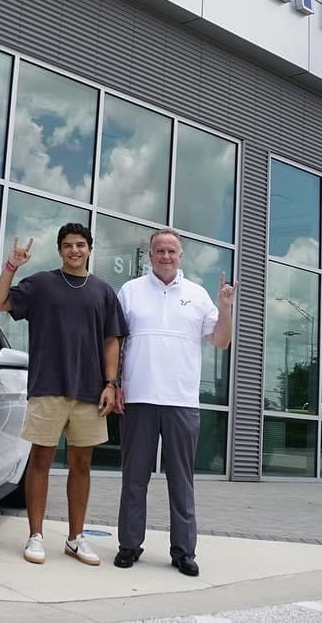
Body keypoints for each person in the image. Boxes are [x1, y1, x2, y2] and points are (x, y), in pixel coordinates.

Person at [0, 222, 126, 567]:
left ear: (90, 249)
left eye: (80, 244)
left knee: (82, 464)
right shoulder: (42, 284)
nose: (74, 250)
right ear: (60, 250)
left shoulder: (103, 292)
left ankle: (75, 539)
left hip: (89, 391)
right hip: (48, 386)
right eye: (68, 245)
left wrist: (111, 384)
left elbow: (113, 341)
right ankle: (35, 535)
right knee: (40, 460)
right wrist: (11, 267)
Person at [113, 228, 234, 576]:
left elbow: (221, 341)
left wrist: (225, 307)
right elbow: (118, 340)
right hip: (138, 398)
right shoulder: (131, 291)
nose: (165, 256)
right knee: (134, 478)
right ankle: (129, 545)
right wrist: (116, 383)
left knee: (181, 480)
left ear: (181, 255)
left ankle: (183, 552)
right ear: (149, 255)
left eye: (172, 251)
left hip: (181, 401)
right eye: (159, 251)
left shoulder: (197, 296)